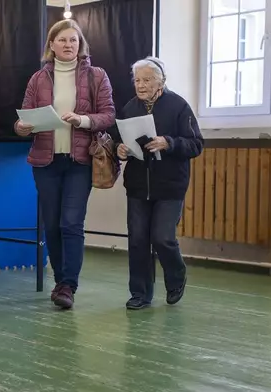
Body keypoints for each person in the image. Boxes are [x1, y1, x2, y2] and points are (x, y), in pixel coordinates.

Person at [14, 20, 115, 310]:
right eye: (62, 40)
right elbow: (26, 119)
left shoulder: (98, 76)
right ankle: (60, 281)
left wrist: (82, 120)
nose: (68, 45)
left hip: (80, 161)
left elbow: (108, 115)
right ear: (51, 45)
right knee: (53, 226)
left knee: (71, 223)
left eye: (73, 40)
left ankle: (69, 284)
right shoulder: (38, 78)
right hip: (45, 162)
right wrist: (22, 125)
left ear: (80, 44)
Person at [114, 56, 203, 310]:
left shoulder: (178, 106)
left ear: (161, 81)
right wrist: (119, 149)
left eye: (147, 80)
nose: (141, 85)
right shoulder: (130, 108)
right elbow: (116, 139)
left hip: (170, 185)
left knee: (163, 237)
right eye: (137, 80)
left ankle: (176, 277)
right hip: (138, 185)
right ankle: (140, 294)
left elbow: (196, 144)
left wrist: (169, 142)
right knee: (138, 240)